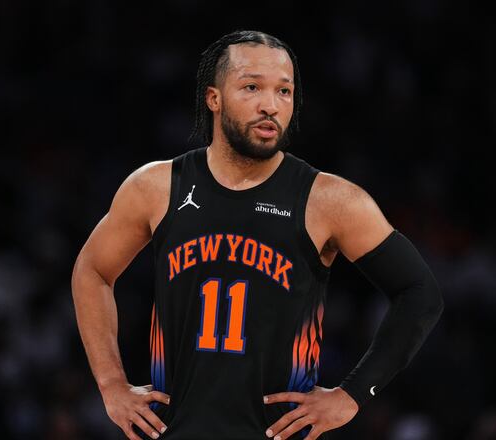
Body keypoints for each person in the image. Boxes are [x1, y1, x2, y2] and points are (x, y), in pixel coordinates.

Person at [71, 29, 444, 440]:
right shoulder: (156, 187)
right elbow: (92, 270)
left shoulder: (330, 200)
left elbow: (420, 292)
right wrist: (111, 385)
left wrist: (353, 394)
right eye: (252, 87)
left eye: (284, 91)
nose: (271, 105)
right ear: (214, 98)